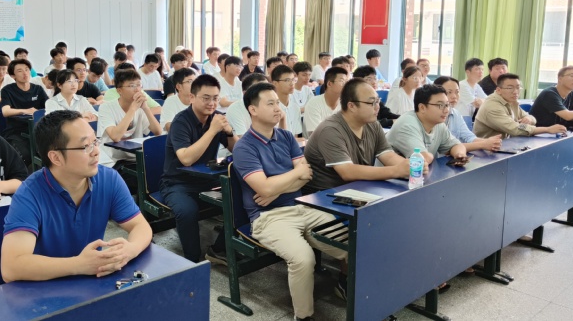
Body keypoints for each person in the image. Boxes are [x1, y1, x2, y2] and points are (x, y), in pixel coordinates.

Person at [232, 82, 349, 318]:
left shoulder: (286, 136)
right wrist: (288, 179)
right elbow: (265, 186)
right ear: (253, 110)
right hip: (268, 217)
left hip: (302, 207)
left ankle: (348, 288)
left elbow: (306, 175)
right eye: (271, 103)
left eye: (278, 102)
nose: (278, 108)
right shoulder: (244, 147)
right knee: (303, 259)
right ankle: (303, 316)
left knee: (351, 243)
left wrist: (275, 190)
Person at [0, 110, 152, 282]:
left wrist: (130, 250)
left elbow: (140, 226)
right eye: (86, 146)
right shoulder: (29, 194)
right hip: (44, 286)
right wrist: (79, 264)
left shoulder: (108, 179)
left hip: (92, 282)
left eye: (95, 141)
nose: (96, 151)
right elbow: (11, 267)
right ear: (56, 157)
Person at [160, 74, 239, 263]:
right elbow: (186, 159)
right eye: (206, 98)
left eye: (215, 98)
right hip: (177, 183)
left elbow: (237, 150)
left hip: (208, 181)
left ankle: (218, 249)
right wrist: (212, 131)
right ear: (192, 97)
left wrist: (229, 133)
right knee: (187, 211)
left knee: (241, 199)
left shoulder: (217, 118)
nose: (212, 103)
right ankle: (192, 261)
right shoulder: (181, 121)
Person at [304, 78, 413, 194]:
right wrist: (396, 171)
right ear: (351, 106)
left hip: (357, 189)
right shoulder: (330, 130)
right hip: (325, 195)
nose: (377, 107)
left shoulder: (373, 125)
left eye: (378, 101)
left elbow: (388, 156)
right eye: (372, 103)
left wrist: (411, 167)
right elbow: (347, 171)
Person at [386, 84, 468, 164]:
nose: (446, 110)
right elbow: (422, 158)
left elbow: (456, 145)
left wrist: (459, 154)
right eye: (440, 105)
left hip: (420, 172)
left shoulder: (438, 124)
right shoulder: (407, 124)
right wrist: (430, 156)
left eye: (447, 105)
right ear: (422, 108)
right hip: (391, 173)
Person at [97, 69, 161, 170]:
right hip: (112, 159)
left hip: (134, 157)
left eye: (139, 85)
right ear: (119, 90)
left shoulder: (140, 108)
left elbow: (158, 131)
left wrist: (146, 108)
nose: (137, 89)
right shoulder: (106, 108)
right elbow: (115, 137)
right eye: (132, 86)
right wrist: (133, 109)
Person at [473, 73, 568, 139]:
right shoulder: (492, 106)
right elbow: (515, 129)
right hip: (486, 150)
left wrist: (529, 119)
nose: (515, 92)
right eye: (510, 88)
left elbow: (530, 117)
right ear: (498, 90)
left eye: (518, 87)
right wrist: (548, 129)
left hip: (506, 144)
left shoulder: (511, 100)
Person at [0, 59, 50, 168]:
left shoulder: (38, 89)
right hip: (17, 131)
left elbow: (49, 107)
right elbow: (5, 111)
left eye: (27, 70)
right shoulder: (7, 90)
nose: (25, 73)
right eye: (20, 71)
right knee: (25, 155)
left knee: (49, 152)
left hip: (39, 130)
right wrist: (25, 110)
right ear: (13, 75)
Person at [432, 76, 502, 152]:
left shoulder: (455, 113)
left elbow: (468, 136)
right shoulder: (432, 115)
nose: (454, 96)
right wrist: (483, 144)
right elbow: (447, 147)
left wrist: (490, 142)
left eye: (457, 92)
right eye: (449, 92)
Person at [303, 67, 349, 137]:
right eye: (342, 81)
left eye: (346, 81)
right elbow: (315, 136)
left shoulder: (346, 104)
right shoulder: (314, 103)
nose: (346, 85)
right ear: (329, 84)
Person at [160, 68, 196, 133]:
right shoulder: (170, 101)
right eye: (190, 81)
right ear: (179, 87)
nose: (195, 85)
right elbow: (169, 126)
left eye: (195, 81)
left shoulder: (199, 100)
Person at [272, 65, 303, 136]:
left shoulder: (295, 107)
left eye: (293, 80)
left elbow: (295, 135)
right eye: (287, 80)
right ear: (275, 83)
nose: (292, 83)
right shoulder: (271, 108)